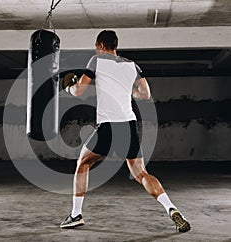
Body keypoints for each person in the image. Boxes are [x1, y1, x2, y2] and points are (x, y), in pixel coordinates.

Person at [60, 30, 190, 233]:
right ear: (115, 45)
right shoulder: (132, 65)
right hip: (128, 125)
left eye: (97, 46)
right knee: (141, 173)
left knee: (83, 163)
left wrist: (68, 86)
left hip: (108, 126)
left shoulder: (97, 60)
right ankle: (171, 208)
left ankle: (76, 214)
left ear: (101, 45)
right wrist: (127, 89)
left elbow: (79, 91)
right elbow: (145, 94)